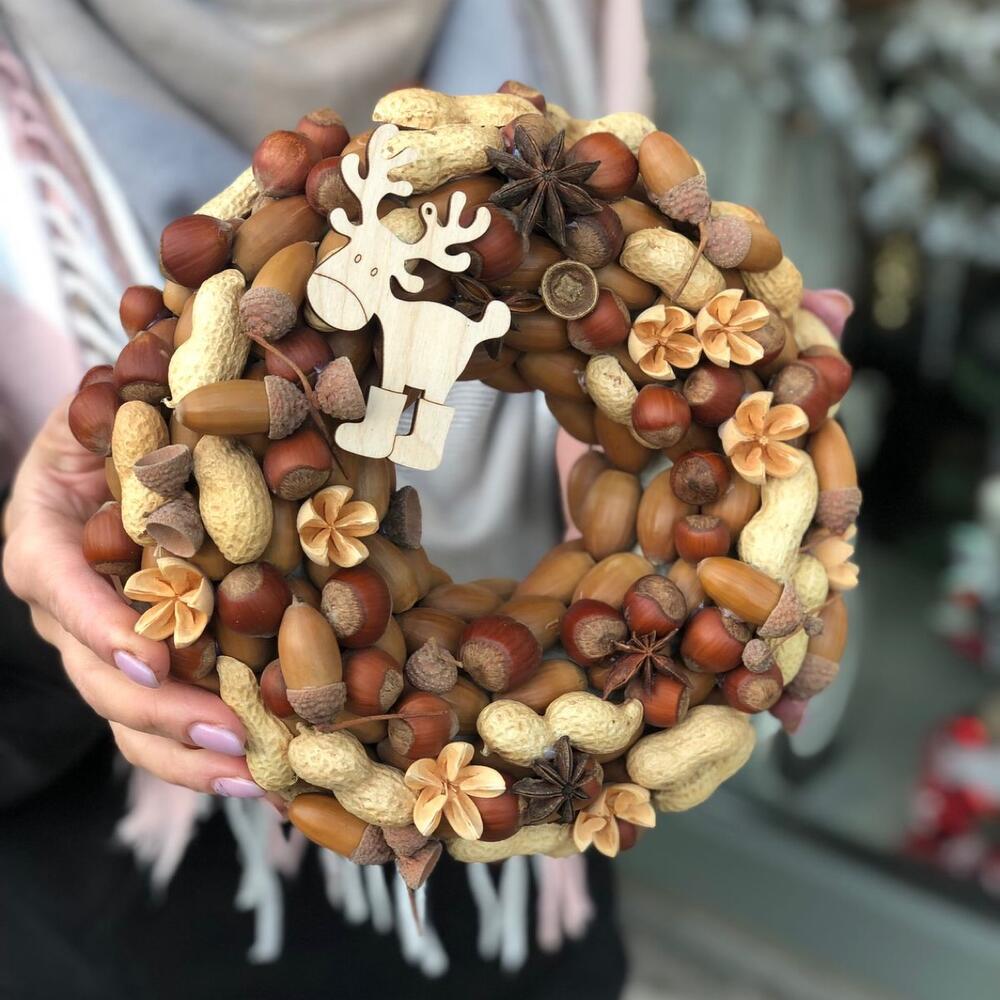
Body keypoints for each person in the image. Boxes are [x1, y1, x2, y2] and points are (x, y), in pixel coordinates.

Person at [0, 1, 651, 997]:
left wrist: (762, 420)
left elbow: (660, 335)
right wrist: (45, 602)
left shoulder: (582, 24)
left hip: (528, 890)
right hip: (118, 926)